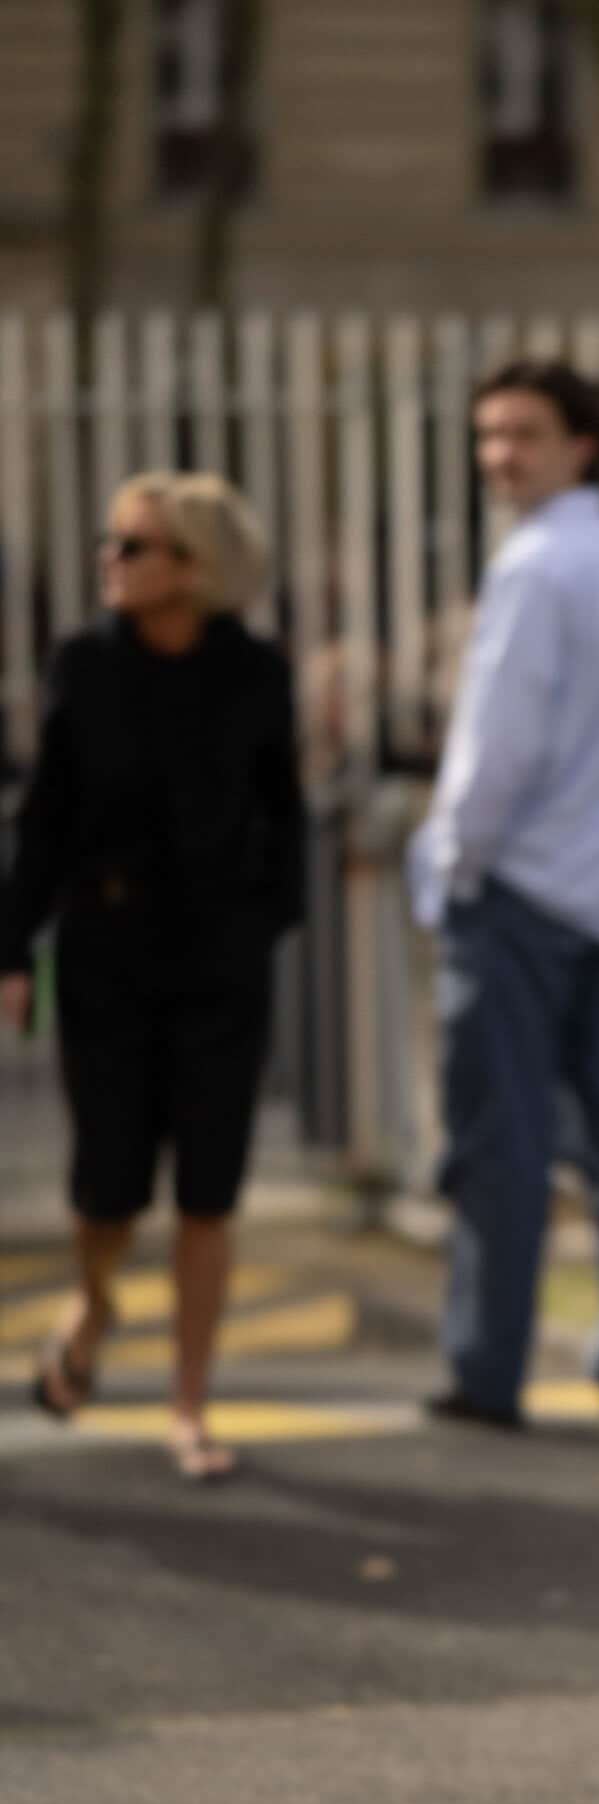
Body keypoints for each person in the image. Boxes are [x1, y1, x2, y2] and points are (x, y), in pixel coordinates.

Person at [0, 471, 304, 1480]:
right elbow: (44, 817)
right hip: (106, 956)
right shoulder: (82, 663)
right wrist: (12, 946)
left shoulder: (254, 671)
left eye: (133, 547)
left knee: (208, 1193)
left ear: (196, 567)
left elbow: (282, 813)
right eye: (112, 542)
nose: (110, 560)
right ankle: (93, 1304)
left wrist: (264, 921)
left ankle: (189, 1406)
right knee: (109, 1186)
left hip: (221, 964)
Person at [409, 361, 599, 1428]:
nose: (499, 456)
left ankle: (487, 1372)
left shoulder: (532, 568)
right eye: (488, 435)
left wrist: (450, 865)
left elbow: (496, 749)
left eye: (522, 433)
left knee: (500, 1144)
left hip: (520, 889)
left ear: (582, 444)